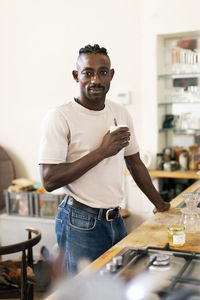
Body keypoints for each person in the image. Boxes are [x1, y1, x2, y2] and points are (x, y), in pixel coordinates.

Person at [39, 44, 170, 275]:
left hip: (115, 219)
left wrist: (160, 205)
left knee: (113, 288)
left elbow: (135, 162)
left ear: (111, 74)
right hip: (79, 221)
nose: (96, 80)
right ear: (76, 75)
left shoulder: (121, 112)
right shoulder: (60, 116)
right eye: (88, 72)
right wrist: (102, 151)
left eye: (103, 72)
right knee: (85, 292)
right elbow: (49, 180)